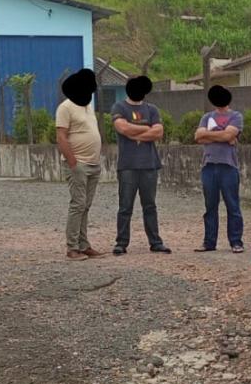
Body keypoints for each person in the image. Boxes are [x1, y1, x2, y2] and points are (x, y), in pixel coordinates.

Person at [110, 76, 170, 255]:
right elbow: (123, 128)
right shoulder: (119, 107)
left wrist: (135, 134)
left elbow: (158, 132)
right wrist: (147, 129)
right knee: (125, 206)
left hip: (149, 165)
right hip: (128, 165)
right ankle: (121, 242)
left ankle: (155, 242)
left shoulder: (152, 109)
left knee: (150, 206)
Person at [55, 68, 104, 261]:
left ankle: (84, 245)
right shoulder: (65, 107)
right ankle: (72, 247)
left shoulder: (87, 106)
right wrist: (73, 162)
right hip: (78, 164)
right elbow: (61, 136)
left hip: (93, 164)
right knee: (78, 204)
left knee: (86, 205)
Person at [194, 85, 245, 253]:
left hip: (228, 166)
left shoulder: (236, 116)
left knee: (233, 205)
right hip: (209, 166)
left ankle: (236, 242)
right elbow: (197, 136)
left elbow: (229, 135)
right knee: (210, 207)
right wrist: (222, 135)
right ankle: (209, 242)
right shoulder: (207, 116)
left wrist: (210, 135)